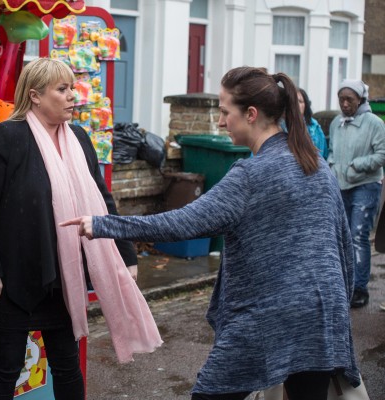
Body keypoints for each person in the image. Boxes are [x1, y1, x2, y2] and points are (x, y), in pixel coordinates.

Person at [61, 66, 360, 400]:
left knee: (209, 395)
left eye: (223, 112)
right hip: (323, 312)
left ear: (250, 114)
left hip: (270, 314)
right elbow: (343, 246)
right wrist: (339, 309)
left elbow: (182, 223)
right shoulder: (317, 164)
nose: (219, 122)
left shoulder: (251, 174)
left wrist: (102, 224)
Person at [0, 57, 162, 400]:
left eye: (72, 87)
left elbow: (102, 200)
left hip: (64, 278)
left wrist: (126, 254)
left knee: (68, 366)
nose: (73, 95)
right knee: (6, 368)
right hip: (13, 281)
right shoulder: (7, 137)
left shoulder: (80, 138)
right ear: (36, 95)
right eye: (63, 88)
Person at [328, 79, 385, 308]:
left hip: (366, 185)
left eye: (349, 99)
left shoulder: (374, 123)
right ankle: (345, 285)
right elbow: (331, 151)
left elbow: (382, 155)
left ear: (360, 100)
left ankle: (360, 288)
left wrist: (355, 165)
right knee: (342, 237)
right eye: (341, 99)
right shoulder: (335, 123)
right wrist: (332, 166)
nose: (344, 103)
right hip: (341, 186)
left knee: (357, 235)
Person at [297, 88, 328, 159]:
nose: (296, 105)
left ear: (306, 105)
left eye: (300, 101)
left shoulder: (314, 125)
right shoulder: (281, 126)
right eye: (293, 101)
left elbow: (323, 153)